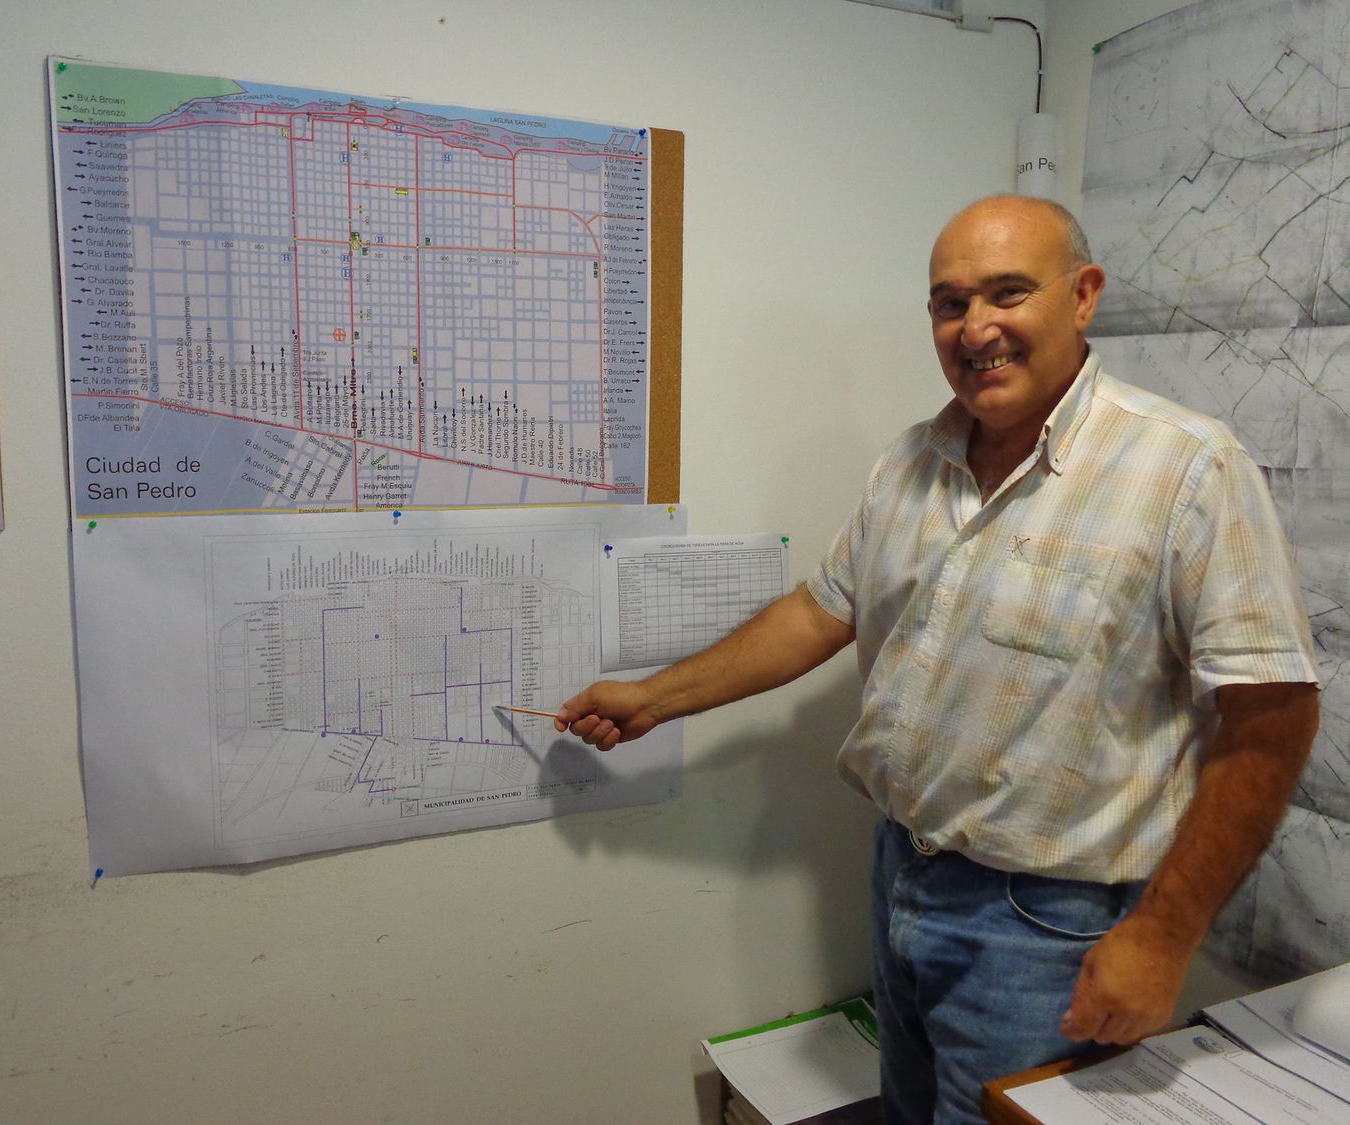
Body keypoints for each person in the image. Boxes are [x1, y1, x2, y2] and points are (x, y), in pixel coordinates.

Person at [555, 195, 1320, 1124]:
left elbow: (1274, 715)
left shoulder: (1189, 468)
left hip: (1051, 929)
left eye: (1008, 293)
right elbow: (820, 610)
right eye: (950, 304)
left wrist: (1164, 934)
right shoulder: (912, 461)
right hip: (902, 876)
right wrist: (652, 698)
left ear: (1083, 295)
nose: (976, 328)